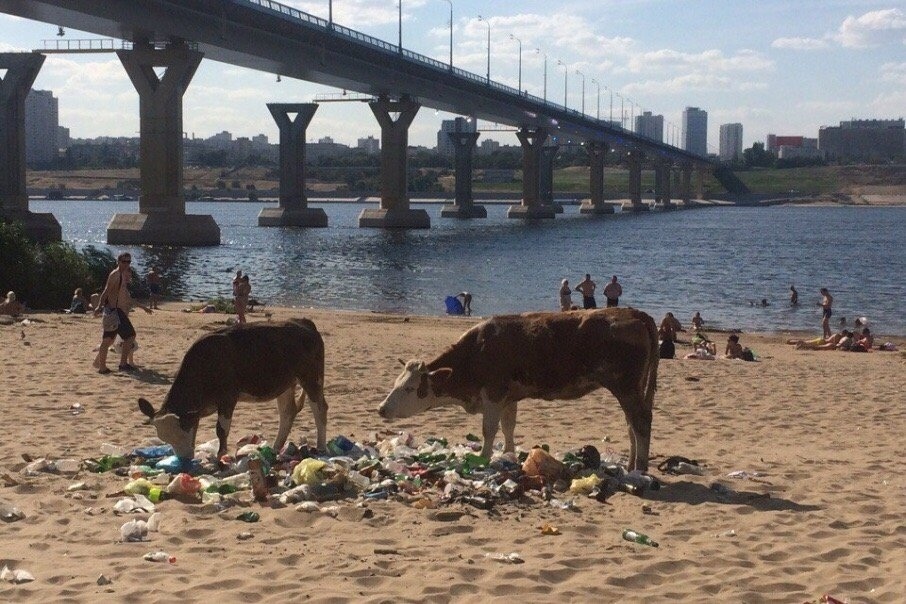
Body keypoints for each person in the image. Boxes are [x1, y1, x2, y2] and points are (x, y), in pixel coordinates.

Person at [92, 252, 152, 374]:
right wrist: (99, 306)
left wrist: (143, 307)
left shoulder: (120, 276)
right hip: (114, 311)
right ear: (118, 261)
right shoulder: (115, 275)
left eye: (128, 262)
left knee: (109, 339)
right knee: (127, 336)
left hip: (114, 311)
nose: (126, 264)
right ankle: (121, 364)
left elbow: (127, 298)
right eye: (124, 262)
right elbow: (106, 291)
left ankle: (103, 366)